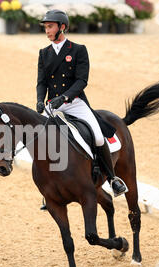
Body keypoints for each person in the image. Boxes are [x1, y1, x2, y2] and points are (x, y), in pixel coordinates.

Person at [36, 10, 127, 210]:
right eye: (45, 27)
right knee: (41, 141)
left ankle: (112, 179)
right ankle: (48, 189)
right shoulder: (44, 53)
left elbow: (81, 80)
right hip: (53, 105)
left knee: (97, 136)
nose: (47, 30)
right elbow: (41, 82)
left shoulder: (78, 50)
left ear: (62, 27)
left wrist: (65, 97)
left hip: (75, 103)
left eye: (50, 26)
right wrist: (39, 101)